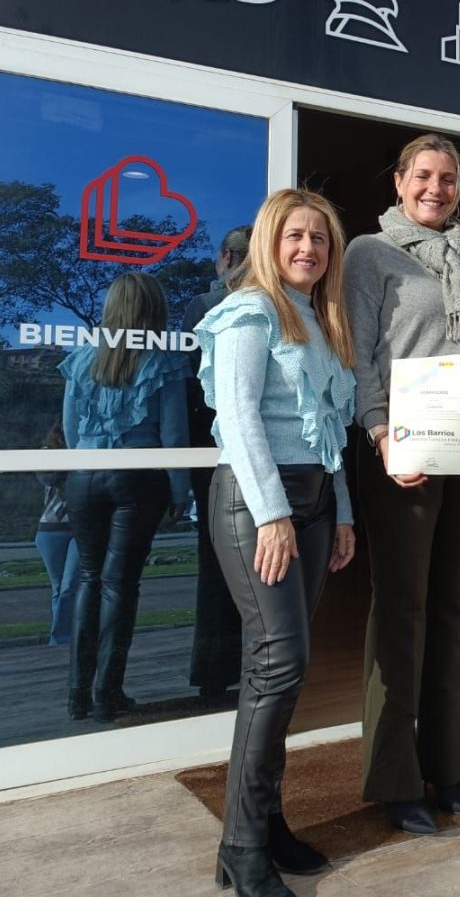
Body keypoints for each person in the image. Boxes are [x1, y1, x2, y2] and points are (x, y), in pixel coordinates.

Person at [343, 133, 460, 835]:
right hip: (402, 446)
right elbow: (358, 356)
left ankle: (448, 768)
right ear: (399, 181)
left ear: (459, 188)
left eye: (447, 179)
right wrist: (381, 434)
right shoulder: (368, 253)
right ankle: (394, 778)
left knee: (453, 604)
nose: (435, 189)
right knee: (401, 607)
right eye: (423, 176)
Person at [196, 188, 358, 897]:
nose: (308, 248)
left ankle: (262, 821)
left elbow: (328, 429)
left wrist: (341, 512)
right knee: (279, 663)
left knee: (276, 670)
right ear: (270, 240)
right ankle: (241, 845)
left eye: (319, 238)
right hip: (260, 503)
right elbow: (238, 418)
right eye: (295, 235)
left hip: (314, 503)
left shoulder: (321, 320)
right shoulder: (250, 311)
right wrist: (272, 514)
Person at [59, 272, 191, 723]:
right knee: (119, 585)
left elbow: (71, 431)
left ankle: (77, 694)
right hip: (137, 479)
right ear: (154, 311)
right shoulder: (162, 361)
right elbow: (174, 436)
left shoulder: (81, 358)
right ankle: (107, 693)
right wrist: (180, 489)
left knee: (88, 579)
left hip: (83, 477)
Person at [184, 225, 253, 703]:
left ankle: (214, 675)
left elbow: (192, 383)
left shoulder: (204, 305)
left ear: (226, 258)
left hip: (210, 451)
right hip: (223, 450)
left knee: (217, 563)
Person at [33, 418, 78, 647]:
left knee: (70, 585)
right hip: (51, 529)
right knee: (59, 587)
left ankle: (62, 637)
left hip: (80, 527)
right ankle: (62, 639)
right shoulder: (47, 451)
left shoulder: (88, 448)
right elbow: (48, 477)